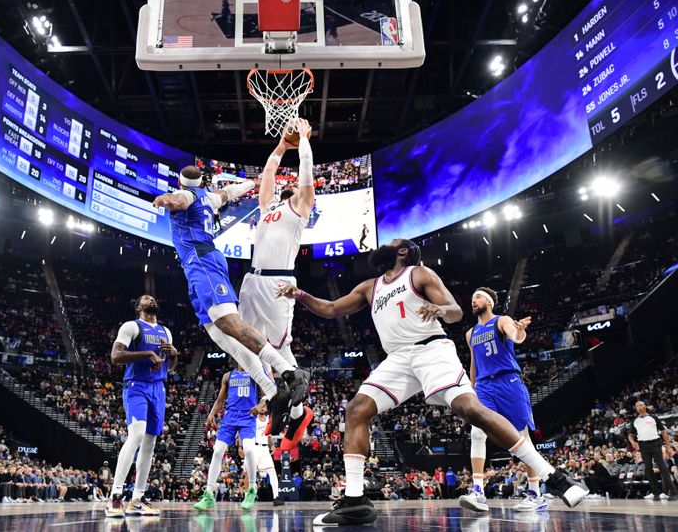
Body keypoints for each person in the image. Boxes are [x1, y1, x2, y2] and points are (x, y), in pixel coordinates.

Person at [277, 239, 589, 526]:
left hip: (431, 348)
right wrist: (301, 295)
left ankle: (555, 477)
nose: (384, 244)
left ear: (402, 252)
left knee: (471, 410)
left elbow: (454, 312)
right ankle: (355, 500)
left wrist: (438, 309)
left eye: (392, 242)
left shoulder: (419, 274)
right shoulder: (370, 287)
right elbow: (331, 309)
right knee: (357, 408)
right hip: (397, 359)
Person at [153, 166, 309, 435]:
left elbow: (180, 201)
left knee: (229, 324)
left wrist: (164, 200)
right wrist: (251, 183)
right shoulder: (208, 197)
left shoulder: (186, 195)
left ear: (181, 182)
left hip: (203, 262)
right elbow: (228, 193)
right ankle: (273, 393)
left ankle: (288, 371)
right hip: (195, 267)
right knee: (222, 337)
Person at [238, 119, 315, 448]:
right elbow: (267, 176)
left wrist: (305, 141)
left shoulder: (300, 208)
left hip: (277, 284)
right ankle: (279, 401)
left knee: (280, 349)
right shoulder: (269, 206)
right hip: (251, 280)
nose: (291, 186)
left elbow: (307, 176)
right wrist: (282, 146)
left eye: (295, 186)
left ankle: (299, 414)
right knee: (244, 346)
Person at [459, 287, 545, 513]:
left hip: (508, 382)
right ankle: (478, 491)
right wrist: (472, 388)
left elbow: (515, 335)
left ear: (489, 302)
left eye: (476, 297)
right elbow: (474, 363)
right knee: (477, 432)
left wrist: (520, 332)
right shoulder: (470, 333)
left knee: (522, 437)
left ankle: (535, 493)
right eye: (471, 298)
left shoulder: (502, 320)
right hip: (484, 386)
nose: (473, 301)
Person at [105, 295, 178, 518]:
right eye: (146, 298)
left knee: (150, 444)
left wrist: (174, 355)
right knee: (135, 436)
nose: (151, 299)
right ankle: (115, 496)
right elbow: (116, 356)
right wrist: (147, 353)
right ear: (139, 307)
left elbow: (170, 366)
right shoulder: (131, 326)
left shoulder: (166, 331)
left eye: (153, 297)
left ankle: (137, 498)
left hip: (158, 389)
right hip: (137, 386)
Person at [194, 365, 264, 511]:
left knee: (249, 450)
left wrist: (260, 405)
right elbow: (220, 400)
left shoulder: (255, 372)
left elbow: (266, 396)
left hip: (248, 415)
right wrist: (211, 414)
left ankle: (251, 489)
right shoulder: (228, 376)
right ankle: (208, 494)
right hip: (230, 416)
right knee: (218, 451)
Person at [628, 400, 678, 500]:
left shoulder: (653, 417)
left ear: (645, 406)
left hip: (655, 443)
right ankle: (656, 493)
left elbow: (663, 432)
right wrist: (633, 442)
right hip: (643, 446)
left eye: (641, 405)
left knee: (662, 467)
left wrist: (668, 446)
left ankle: (673, 492)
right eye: (637, 405)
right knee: (648, 469)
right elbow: (630, 435)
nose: (639, 407)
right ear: (636, 408)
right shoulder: (635, 421)